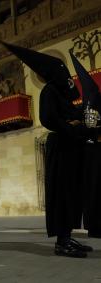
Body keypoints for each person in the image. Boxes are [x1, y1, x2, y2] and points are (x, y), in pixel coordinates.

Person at [0, 40, 94, 258]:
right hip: (60, 147)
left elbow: (72, 114)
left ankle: (68, 236)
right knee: (61, 194)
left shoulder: (61, 95)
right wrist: (70, 128)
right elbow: (49, 118)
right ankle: (62, 242)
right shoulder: (49, 91)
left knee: (72, 193)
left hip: (70, 148)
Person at [70, 52, 101, 237]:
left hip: (97, 150)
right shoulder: (82, 107)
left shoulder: (97, 101)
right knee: (90, 189)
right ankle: (92, 225)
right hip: (88, 153)